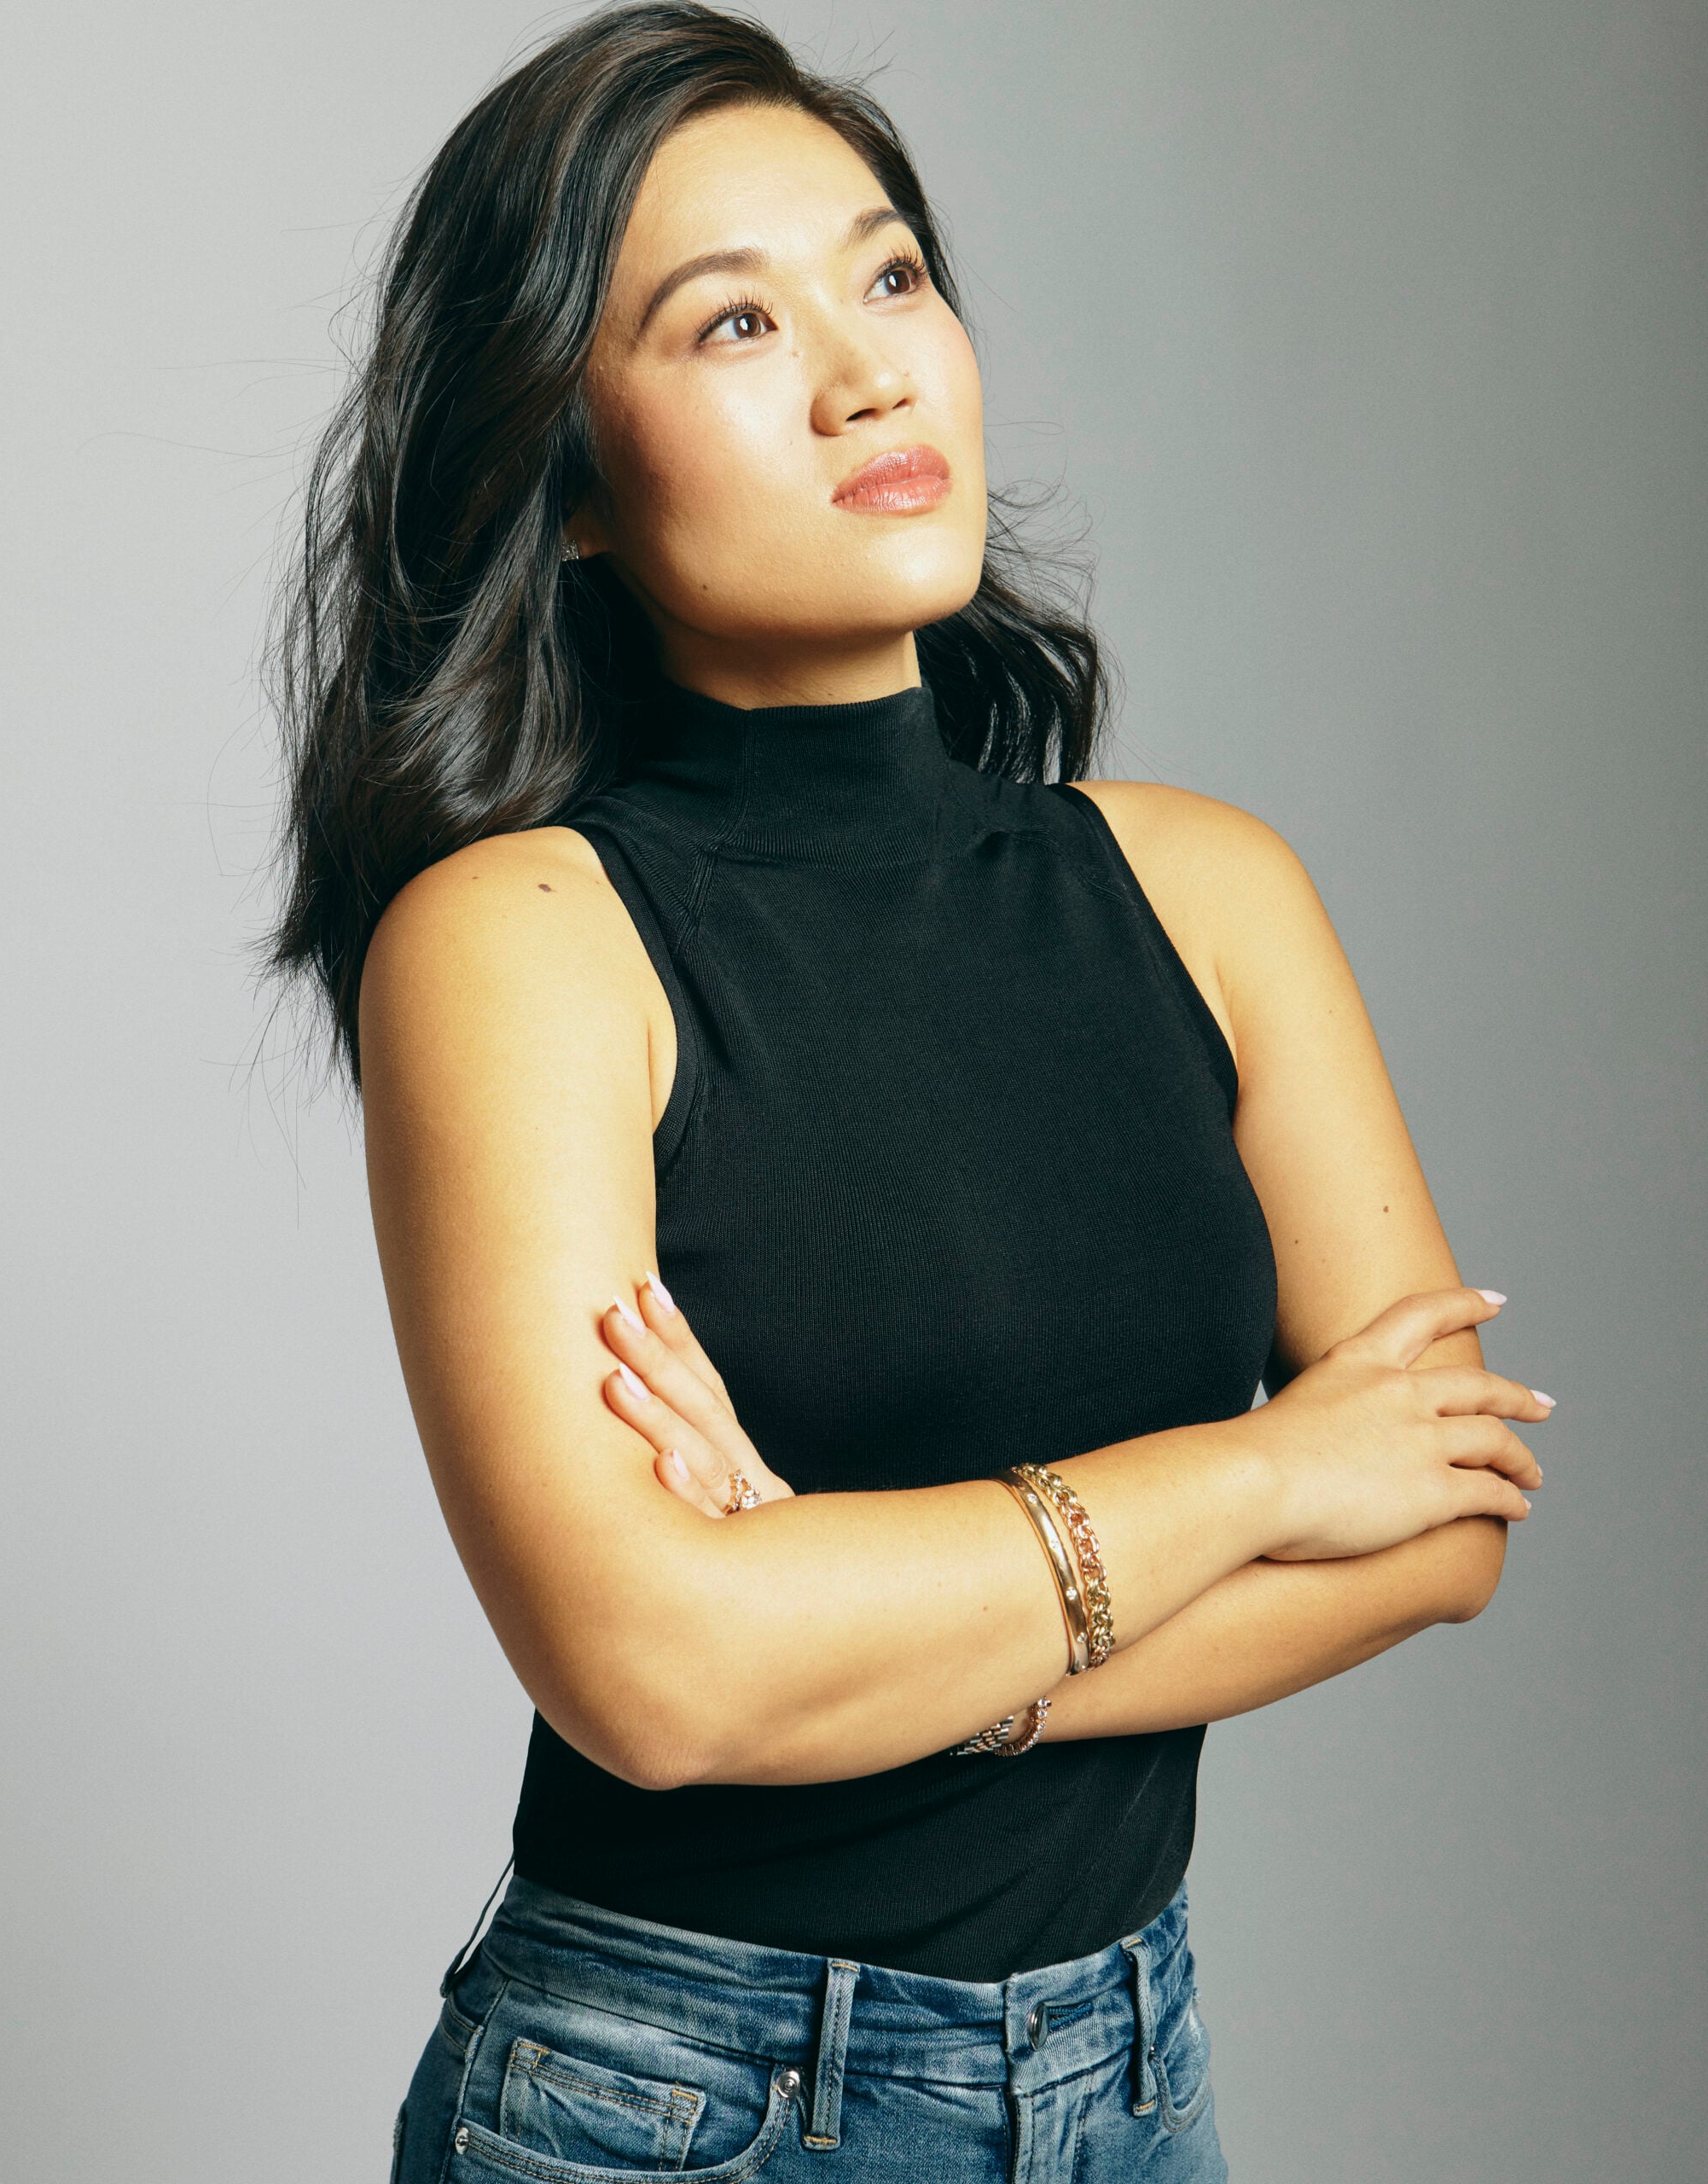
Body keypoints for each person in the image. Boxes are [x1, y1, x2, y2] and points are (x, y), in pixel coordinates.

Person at [266, 7, 1551, 2177]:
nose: (868, 372)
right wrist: (1252, 1478)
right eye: (734, 322)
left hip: (1135, 2066)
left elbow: (1437, 1522)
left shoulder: (1206, 886)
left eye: (888, 277)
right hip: (688, 2098)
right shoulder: (520, 938)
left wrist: (884, 1631)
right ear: (565, 482)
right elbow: (662, 1678)